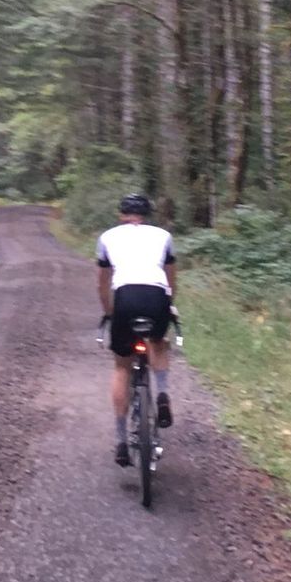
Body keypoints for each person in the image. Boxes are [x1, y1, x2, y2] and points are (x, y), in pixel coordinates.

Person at [96, 192, 176, 466]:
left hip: (125, 296)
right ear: (147, 215)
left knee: (122, 366)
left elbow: (102, 284)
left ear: (121, 214)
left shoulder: (107, 237)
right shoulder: (163, 236)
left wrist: (109, 312)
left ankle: (121, 441)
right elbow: (171, 279)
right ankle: (162, 394)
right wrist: (169, 306)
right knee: (158, 343)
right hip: (156, 295)